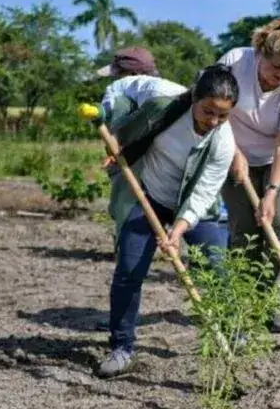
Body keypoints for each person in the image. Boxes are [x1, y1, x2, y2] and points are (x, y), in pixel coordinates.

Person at [96, 64, 238, 378]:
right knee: (129, 270)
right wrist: (108, 117)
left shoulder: (223, 142)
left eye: (223, 115)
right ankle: (121, 347)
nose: (213, 121)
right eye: (208, 111)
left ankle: (232, 333)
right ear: (194, 98)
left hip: (192, 206)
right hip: (149, 195)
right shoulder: (165, 99)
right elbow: (122, 87)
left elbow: (203, 193)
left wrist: (179, 228)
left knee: (216, 264)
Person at [218, 18, 280, 334]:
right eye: (278, 68)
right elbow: (213, 109)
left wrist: (271, 192)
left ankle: (278, 307)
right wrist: (234, 153)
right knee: (244, 230)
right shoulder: (234, 63)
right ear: (260, 55)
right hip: (236, 150)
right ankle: (241, 303)